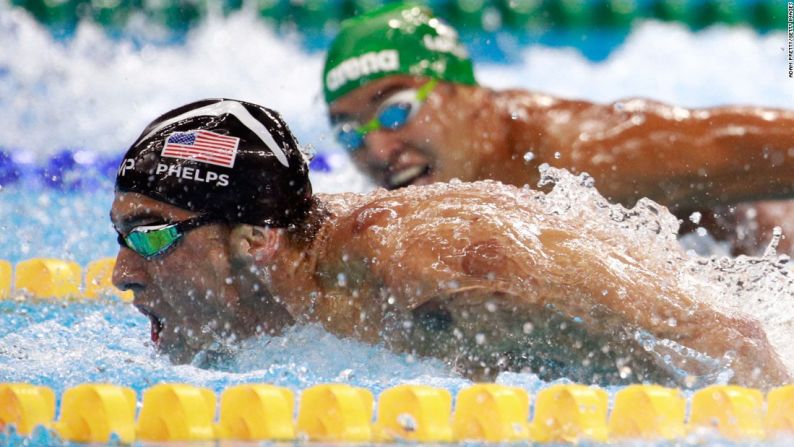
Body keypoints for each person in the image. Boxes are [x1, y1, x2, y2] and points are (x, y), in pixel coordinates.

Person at [111, 98, 789, 388]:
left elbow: (732, 339)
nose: (122, 273)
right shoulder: (298, 275)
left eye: (151, 235)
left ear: (256, 236)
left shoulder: (425, 257)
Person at [322, 2, 794, 256]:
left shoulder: (581, 151)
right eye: (349, 131)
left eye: (396, 111)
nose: (377, 148)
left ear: (467, 94)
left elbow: (750, 146)